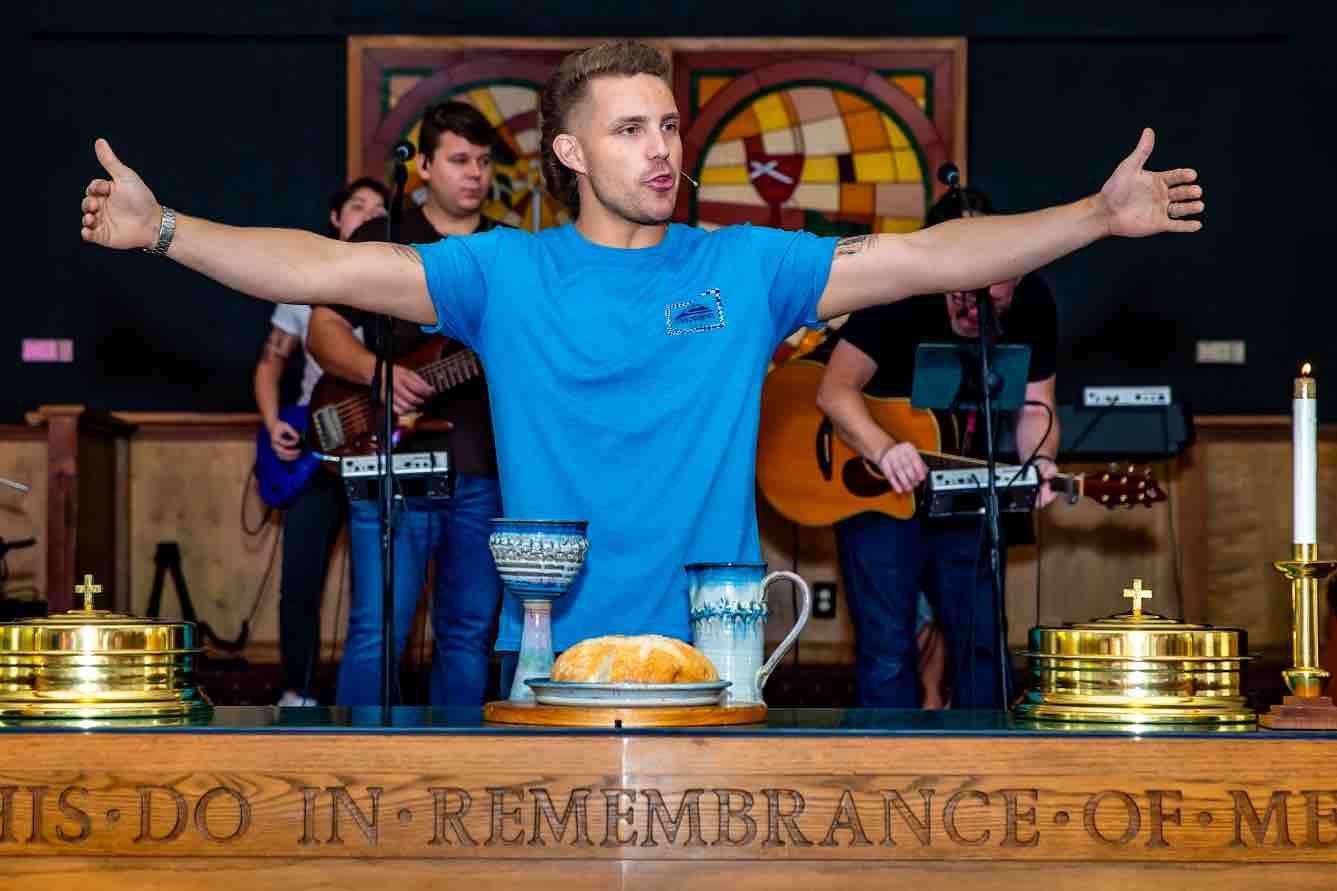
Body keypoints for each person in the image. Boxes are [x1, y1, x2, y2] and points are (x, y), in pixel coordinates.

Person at [78, 40, 1205, 699]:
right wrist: (165, 228)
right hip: (544, 657)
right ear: (570, 152)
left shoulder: (746, 266)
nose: (661, 148)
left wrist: (1093, 217)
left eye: (666, 126)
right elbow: (322, 265)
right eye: (628, 131)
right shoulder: (502, 274)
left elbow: (928, 255)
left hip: (713, 655)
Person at [816, 185, 1059, 709]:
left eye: (993, 298)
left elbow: (1037, 407)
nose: (974, 310)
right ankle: (888, 759)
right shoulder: (899, 292)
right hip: (874, 487)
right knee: (887, 648)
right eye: (959, 295)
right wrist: (884, 448)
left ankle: (987, 756)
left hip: (963, 488)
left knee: (981, 641)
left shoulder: (1035, 300)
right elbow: (834, 391)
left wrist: (1040, 461)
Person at [306, 102, 504, 706]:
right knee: (376, 632)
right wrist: (379, 374)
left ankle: (459, 758)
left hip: (483, 468)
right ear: (422, 166)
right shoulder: (382, 236)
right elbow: (322, 330)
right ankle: (362, 758)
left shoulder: (508, 250)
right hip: (391, 461)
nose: (475, 174)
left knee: (468, 635)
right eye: (460, 159)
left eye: (484, 162)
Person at [252, 176, 387, 706]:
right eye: (358, 206)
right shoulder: (306, 284)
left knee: (376, 585)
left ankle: (367, 699)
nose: (369, 215)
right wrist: (273, 425)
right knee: (301, 575)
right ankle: (296, 691)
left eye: (379, 208)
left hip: (381, 449)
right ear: (336, 217)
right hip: (317, 449)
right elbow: (270, 364)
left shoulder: (396, 284)